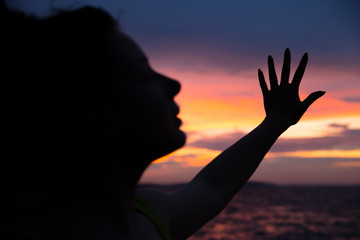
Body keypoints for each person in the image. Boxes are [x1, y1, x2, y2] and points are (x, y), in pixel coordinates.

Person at [0, 1, 325, 239]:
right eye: (144, 76)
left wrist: (275, 123)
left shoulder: (148, 215)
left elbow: (214, 186)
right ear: (96, 116)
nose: (173, 84)